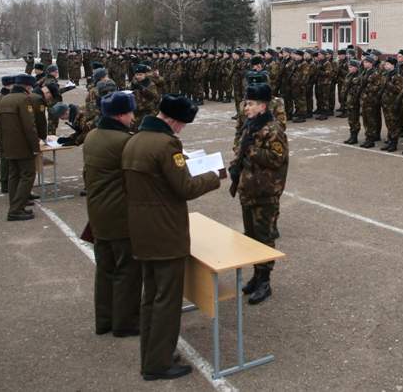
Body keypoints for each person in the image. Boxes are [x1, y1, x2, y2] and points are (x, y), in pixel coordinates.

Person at [122, 95, 225, 381]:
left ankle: (154, 354)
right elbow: (185, 187)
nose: (181, 131)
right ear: (173, 121)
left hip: (142, 228)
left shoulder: (135, 140)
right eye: (181, 125)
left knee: (151, 297)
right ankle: (158, 364)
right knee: (166, 300)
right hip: (165, 231)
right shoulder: (166, 144)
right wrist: (214, 175)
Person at [83, 91, 142, 338]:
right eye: (130, 112)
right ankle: (125, 322)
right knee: (127, 271)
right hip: (120, 215)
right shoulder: (124, 142)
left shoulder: (92, 136)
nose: (133, 117)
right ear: (120, 115)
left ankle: (104, 320)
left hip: (98, 213)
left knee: (105, 269)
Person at [229, 83, 289, 305]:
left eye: (251, 104)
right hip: (249, 189)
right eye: (246, 103)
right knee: (251, 236)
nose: (246, 108)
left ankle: (265, 281)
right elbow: (241, 148)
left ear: (262, 106)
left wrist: (250, 150)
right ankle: (256, 275)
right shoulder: (251, 125)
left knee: (265, 237)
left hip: (265, 192)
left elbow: (276, 158)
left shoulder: (273, 129)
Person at [0, 74, 41, 221]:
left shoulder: (4, 99)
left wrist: (1, 145)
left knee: (14, 176)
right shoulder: (24, 100)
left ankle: (15, 206)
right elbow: (29, 126)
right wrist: (35, 146)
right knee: (28, 175)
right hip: (22, 145)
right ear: (27, 86)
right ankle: (16, 209)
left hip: (8, 145)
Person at [342, 60, 363, 144]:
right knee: (350, 120)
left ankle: (355, 137)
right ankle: (351, 135)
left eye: (351, 67)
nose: (349, 68)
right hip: (349, 101)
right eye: (349, 67)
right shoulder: (349, 75)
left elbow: (357, 90)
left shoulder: (359, 76)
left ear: (356, 67)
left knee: (354, 119)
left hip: (354, 101)